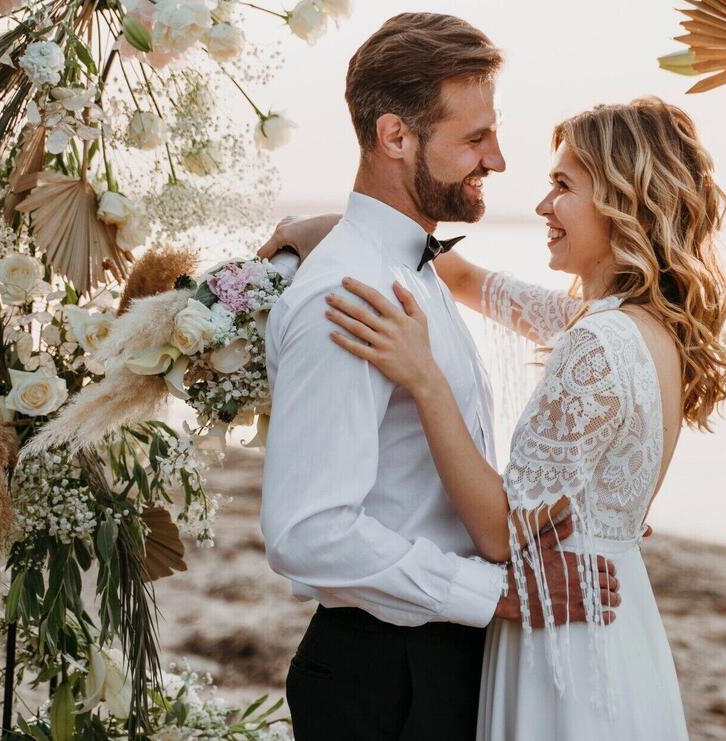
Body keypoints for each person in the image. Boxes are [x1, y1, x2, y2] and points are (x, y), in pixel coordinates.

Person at [268, 97, 726, 739]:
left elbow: (500, 533)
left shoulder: (595, 345)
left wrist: (425, 378)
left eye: (563, 186)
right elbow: (466, 279)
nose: (543, 206)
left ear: (624, 203)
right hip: (615, 615)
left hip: (560, 626)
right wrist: (329, 228)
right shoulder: (641, 326)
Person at [257, 13, 621, 741]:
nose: (499, 159)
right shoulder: (349, 295)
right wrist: (497, 593)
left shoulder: (408, 269)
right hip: (385, 681)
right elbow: (306, 531)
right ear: (396, 137)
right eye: (475, 137)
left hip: (433, 662)